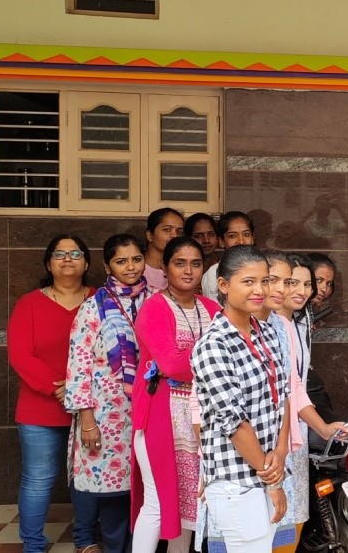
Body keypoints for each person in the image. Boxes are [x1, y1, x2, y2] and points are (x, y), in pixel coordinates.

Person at [193, 245, 291, 552]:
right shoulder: (213, 344)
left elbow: (283, 396)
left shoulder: (267, 332)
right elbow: (234, 423)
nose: (260, 290)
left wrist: (281, 451)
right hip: (236, 479)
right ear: (223, 285)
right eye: (248, 281)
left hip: (268, 468)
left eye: (264, 281)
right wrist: (271, 479)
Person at [130, 237, 220, 553]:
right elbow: (170, 364)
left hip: (203, 419)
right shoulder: (154, 308)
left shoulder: (212, 308)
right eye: (180, 263)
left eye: (195, 264)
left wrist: (192, 362)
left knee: (189, 504)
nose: (188, 271)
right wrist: (213, 363)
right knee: (158, 501)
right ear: (165, 268)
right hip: (161, 416)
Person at [7, 235, 95, 553]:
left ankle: (85, 541)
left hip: (92, 409)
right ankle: (33, 544)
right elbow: (20, 354)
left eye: (75, 253)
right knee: (38, 478)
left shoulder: (101, 300)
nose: (67, 258)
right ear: (48, 263)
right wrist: (59, 388)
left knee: (88, 479)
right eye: (59, 254)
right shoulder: (29, 304)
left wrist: (77, 391)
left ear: (86, 263)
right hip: (40, 407)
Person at [65, 234, 152, 553]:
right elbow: (79, 366)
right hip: (107, 415)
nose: (130, 267)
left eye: (136, 259)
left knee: (149, 492)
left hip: (150, 410)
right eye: (121, 261)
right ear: (107, 266)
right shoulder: (93, 307)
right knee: (114, 494)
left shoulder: (157, 302)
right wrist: (87, 421)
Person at [261, 251, 348, 552]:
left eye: (304, 284)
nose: (298, 290)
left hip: (291, 436)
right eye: (286, 282)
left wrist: (322, 428)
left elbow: (294, 385)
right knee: (261, 524)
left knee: (292, 518)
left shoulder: (287, 325)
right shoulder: (242, 327)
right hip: (261, 442)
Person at [202, 211, 255, 300]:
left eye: (246, 234)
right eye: (232, 236)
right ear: (221, 242)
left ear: (252, 238)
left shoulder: (263, 268)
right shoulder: (213, 274)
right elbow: (214, 307)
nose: (241, 241)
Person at [143, 208, 186, 292]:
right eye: (167, 229)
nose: (174, 235)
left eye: (179, 231)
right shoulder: (135, 269)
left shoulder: (185, 270)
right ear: (150, 235)